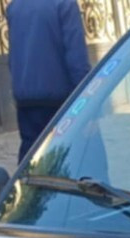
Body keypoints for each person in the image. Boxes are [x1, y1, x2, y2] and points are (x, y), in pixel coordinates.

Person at [6, 0, 92, 162]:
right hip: (60, 98)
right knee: (79, 157)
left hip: (26, 98)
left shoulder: (15, 7)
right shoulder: (64, 4)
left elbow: (13, 57)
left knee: (31, 159)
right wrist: (87, 98)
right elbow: (76, 59)